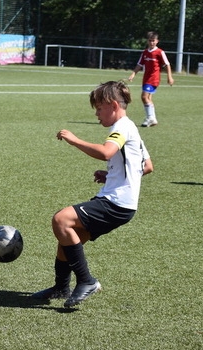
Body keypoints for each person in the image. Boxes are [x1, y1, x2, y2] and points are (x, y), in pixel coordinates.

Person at [31, 81, 153, 308]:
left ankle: (87, 281)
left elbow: (107, 152)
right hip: (121, 203)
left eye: (99, 108)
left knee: (61, 220)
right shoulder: (131, 128)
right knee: (67, 241)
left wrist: (74, 140)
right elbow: (147, 166)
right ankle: (60, 287)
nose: (96, 114)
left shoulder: (121, 128)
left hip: (116, 203)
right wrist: (112, 177)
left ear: (113, 105)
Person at [127, 31, 174, 128]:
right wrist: (133, 74)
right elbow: (139, 65)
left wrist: (170, 77)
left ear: (157, 41)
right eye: (150, 41)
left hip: (154, 78)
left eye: (153, 41)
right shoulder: (145, 52)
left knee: (144, 97)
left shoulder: (160, 52)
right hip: (146, 78)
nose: (151, 42)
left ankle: (151, 117)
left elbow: (167, 64)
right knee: (148, 98)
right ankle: (151, 119)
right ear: (147, 41)